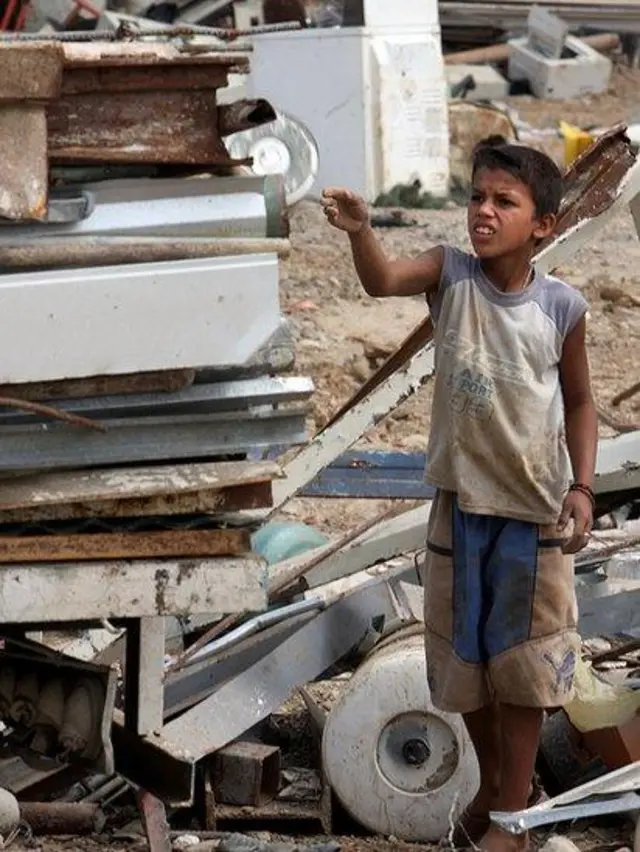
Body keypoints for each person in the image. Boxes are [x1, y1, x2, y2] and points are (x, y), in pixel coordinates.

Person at [322, 138, 597, 852]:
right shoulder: (451, 276)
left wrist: (584, 489)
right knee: (466, 665)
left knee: (525, 664)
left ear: (543, 225)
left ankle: (512, 814)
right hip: (460, 507)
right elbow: (382, 279)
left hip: (533, 516)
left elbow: (580, 404)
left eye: (504, 202)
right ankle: (498, 788)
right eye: (477, 196)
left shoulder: (561, 308)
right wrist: (360, 232)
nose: (483, 211)